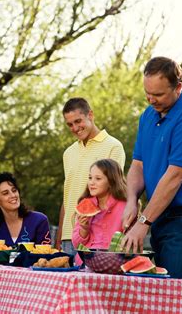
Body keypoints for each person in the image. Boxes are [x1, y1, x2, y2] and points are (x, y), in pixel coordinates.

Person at [121, 57, 182, 280]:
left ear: (178, 87)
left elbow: (175, 177)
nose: (151, 99)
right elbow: (138, 164)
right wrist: (131, 200)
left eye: (159, 94)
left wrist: (143, 222)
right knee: (161, 294)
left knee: (176, 291)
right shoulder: (148, 115)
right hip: (160, 214)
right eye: (147, 92)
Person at [55, 97, 126, 254]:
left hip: (96, 235)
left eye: (78, 121)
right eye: (70, 125)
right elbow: (68, 199)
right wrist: (59, 238)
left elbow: (114, 192)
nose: (75, 128)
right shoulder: (68, 153)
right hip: (69, 237)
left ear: (90, 115)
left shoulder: (113, 146)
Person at [71, 159, 127, 265]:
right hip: (86, 263)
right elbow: (76, 245)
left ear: (111, 181)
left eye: (98, 178)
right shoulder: (85, 203)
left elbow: (131, 240)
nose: (92, 182)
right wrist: (84, 229)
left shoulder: (125, 206)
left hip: (115, 264)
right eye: (90, 178)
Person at [0, 172, 51, 247]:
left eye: (14, 190)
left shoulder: (39, 220)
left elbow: (44, 254)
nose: (13, 195)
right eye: (5, 193)